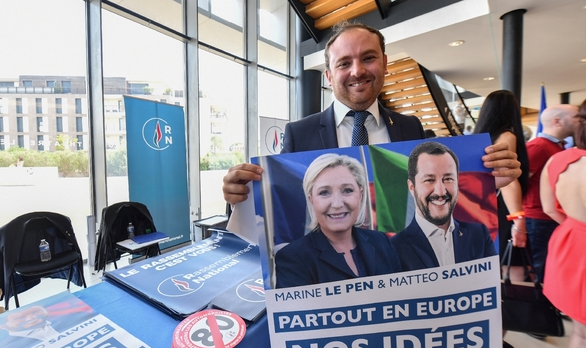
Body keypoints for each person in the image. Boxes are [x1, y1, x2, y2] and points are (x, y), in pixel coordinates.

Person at [223, 22, 521, 213]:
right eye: (344, 63)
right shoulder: (299, 134)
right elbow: (282, 206)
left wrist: (490, 180)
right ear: (328, 75)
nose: (357, 71)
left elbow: (433, 192)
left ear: (384, 63)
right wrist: (240, 197)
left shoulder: (410, 127)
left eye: (368, 58)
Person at [274, 153, 401, 288]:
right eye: (324, 192)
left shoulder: (382, 242)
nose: (337, 204)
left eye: (347, 190)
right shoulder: (292, 258)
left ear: (361, 194)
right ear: (311, 199)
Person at [473, 89, 530, 348]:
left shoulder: (482, 137)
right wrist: (519, 219)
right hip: (505, 218)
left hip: (486, 216)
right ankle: (495, 344)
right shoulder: (508, 135)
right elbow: (508, 180)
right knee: (509, 283)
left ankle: (495, 337)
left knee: (494, 284)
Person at [390, 141, 496, 271]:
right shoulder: (393, 248)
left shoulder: (479, 235)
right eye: (429, 180)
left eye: (448, 179)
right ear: (412, 188)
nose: (440, 191)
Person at [541, 99, 586, 348]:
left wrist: (575, 225)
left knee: (581, 332)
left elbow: (548, 207)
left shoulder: (558, 160)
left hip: (572, 244)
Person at [523, 104, 578, 282]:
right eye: (577, 117)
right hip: (540, 218)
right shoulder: (538, 147)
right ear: (557, 121)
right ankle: (542, 307)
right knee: (543, 267)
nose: (580, 121)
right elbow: (517, 183)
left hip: (550, 217)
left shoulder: (555, 147)